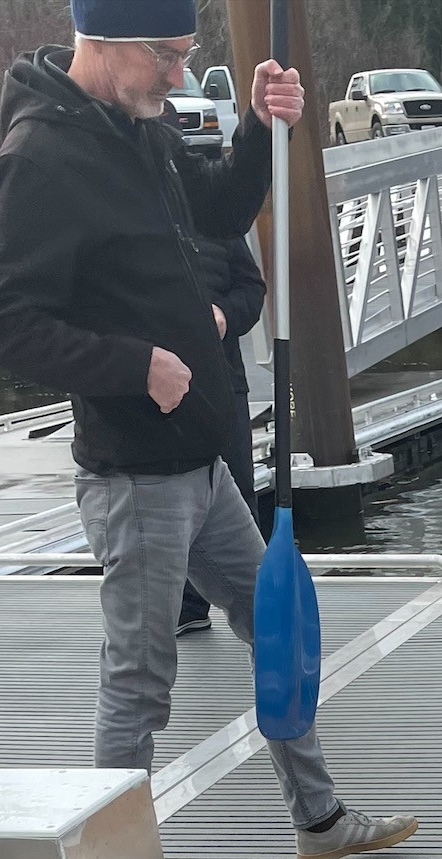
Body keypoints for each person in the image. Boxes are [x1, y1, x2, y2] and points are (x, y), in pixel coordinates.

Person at [0, 0, 414, 859]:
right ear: (104, 43)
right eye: (167, 57)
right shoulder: (40, 157)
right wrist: (135, 364)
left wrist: (258, 126)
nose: (180, 76)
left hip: (205, 462)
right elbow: (9, 328)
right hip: (134, 475)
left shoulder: (141, 124)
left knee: (277, 627)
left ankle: (318, 823)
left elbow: (218, 215)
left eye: (187, 56)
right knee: (140, 683)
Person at [176, 226, 266, 634]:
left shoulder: (213, 213)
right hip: (155, 387)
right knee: (172, 494)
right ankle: (186, 607)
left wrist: (225, 316)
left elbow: (252, 288)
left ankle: (261, 609)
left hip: (223, 381)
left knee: (237, 491)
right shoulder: (123, 206)